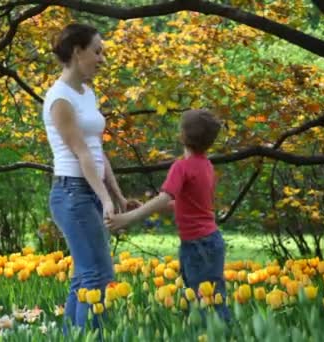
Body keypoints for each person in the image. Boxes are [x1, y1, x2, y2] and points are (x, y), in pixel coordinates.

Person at [42, 23, 139, 330]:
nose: (102, 59)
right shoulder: (59, 99)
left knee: (85, 276)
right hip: (72, 193)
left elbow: (97, 152)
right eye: (97, 52)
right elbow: (81, 153)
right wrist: (104, 198)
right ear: (77, 51)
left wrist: (119, 197)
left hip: (89, 192)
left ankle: (71, 336)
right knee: (98, 275)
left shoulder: (86, 93)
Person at [105, 109, 231, 323]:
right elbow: (187, 205)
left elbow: (164, 198)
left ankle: (207, 335)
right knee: (214, 298)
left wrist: (129, 218)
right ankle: (225, 334)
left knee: (200, 301)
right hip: (212, 241)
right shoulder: (206, 166)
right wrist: (147, 206)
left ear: (182, 136)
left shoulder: (181, 167)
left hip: (196, 246)